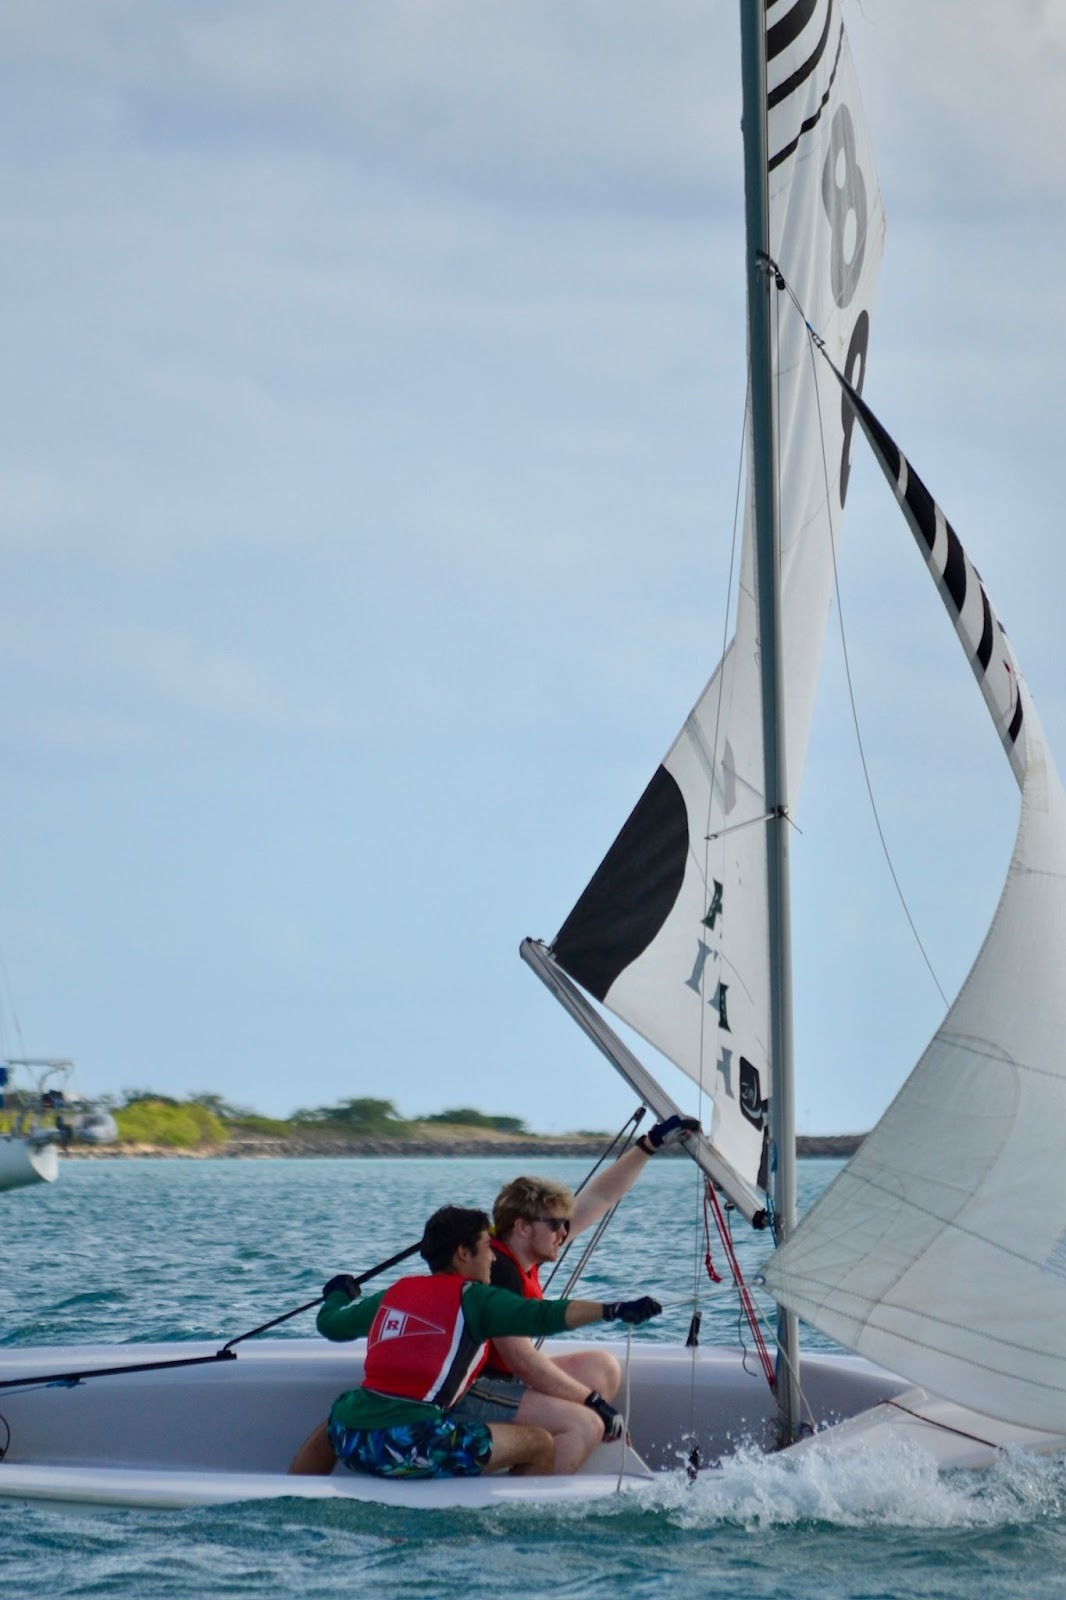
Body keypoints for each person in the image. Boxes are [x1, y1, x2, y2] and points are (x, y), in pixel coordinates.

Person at [289, 1204, 661, 1481]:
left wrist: (337, 1294)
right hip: (415, 1448)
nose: (493, 1257)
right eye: (486, 1247)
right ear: (463, 1254)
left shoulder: (395, 1292)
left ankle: (296, 1493)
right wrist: (612, 1310)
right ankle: (517, 1528)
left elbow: (332, 1326)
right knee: (539, 1443)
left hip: (352, 1440)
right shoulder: (475, 1297)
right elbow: (543, 1315)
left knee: (338, 1417)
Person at [447, 1113, 699, 1472]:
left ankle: (530, 1458)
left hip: (504, 1380)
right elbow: (520, 1360)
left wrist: (649, 1145)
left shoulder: (526, 1252)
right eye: (555, 1224)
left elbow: (598, 1196)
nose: (564, 1232)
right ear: (521, 1227)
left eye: (565, 1224)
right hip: (471, 1390)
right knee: (585, 1422)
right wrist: (591, 1402)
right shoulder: (497, 1271)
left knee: (602, 1368)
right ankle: (527, 1505)